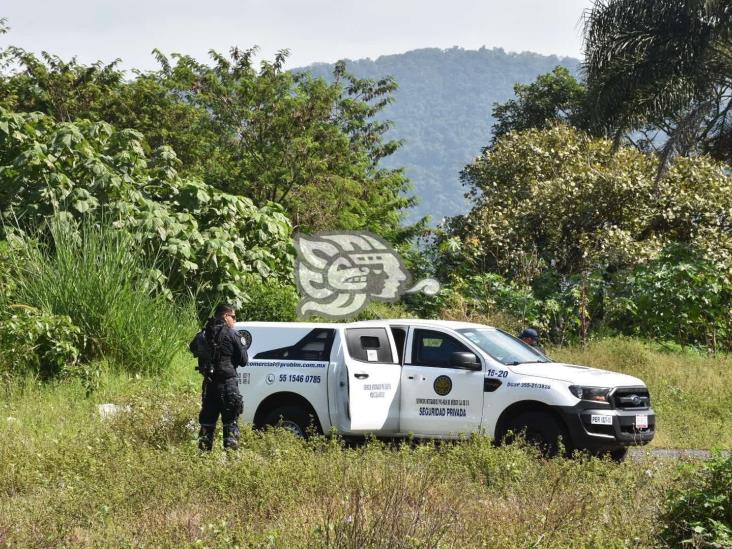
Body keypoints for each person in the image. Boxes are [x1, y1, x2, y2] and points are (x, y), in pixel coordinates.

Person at [189, 303, 248, 451]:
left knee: (206, 426)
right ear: (225, 316)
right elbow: (244, 360)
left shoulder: (202, 334)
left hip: (209, 386)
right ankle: (230, 464)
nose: (235, 320)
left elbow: (192, 348)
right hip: (228, 386)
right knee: (231, 426)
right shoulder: (232, 334)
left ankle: (202, 460)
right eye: (233, 317)